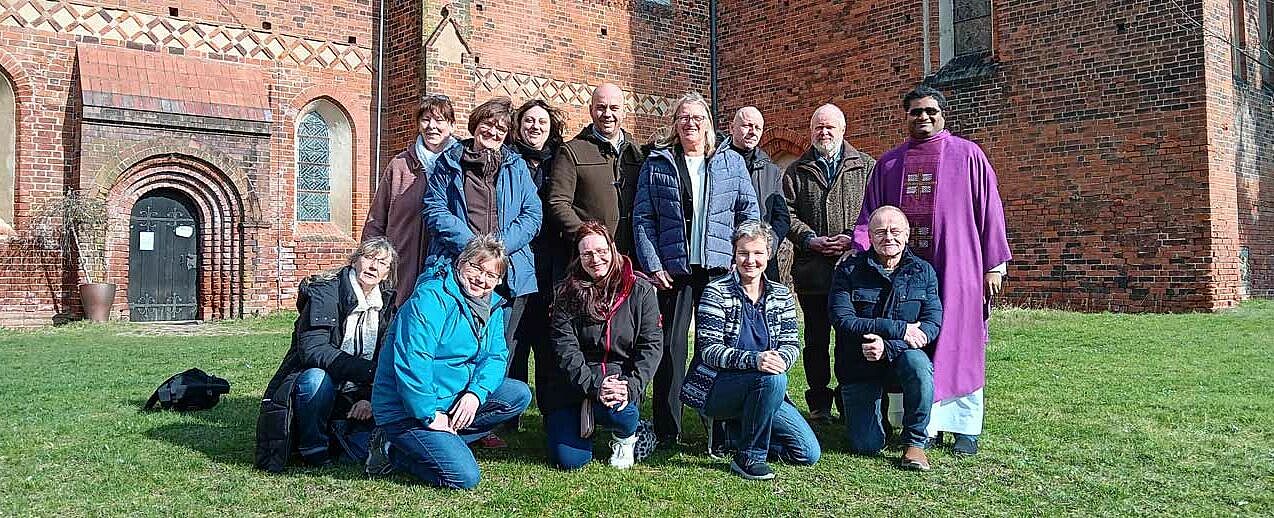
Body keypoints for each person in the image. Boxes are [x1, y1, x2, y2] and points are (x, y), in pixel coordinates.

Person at [853, 85, 1011, 456]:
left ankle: (963, 428)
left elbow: (990, 211)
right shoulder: (889, 164)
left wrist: (994, 266)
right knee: (909, 341)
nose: (923, 117)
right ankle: (918, 425)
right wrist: (858, 249)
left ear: (943, 115)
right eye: (915, 112)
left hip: (958, 268)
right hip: (902, 275)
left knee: (959, 343)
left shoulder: (968, 155)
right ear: (905, 116)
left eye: (930, 111)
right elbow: (869, 218)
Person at [632, 92, 760, 445]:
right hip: (674, 271)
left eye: (697, 118)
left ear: (709, 125)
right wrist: (653, 264)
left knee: (718, 347)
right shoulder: (658, 163)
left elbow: (748, 211)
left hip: (718, 270)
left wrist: (741, 257)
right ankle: (667, 428)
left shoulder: (730, 162)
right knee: (670, 349)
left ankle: (718, 429)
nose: (690, 123)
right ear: (675, 125)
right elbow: (643, 218)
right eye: (683, 118)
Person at [422, 96, 543, 447]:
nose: (493, 131)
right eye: (487, 125)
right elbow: (434, 209)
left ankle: (482, 424)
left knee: (494, 350)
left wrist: (499, 247)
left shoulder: (516, 166)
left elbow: (532, 215)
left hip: (506, 274)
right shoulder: (451, 161)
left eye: (501, 128)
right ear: (475, 126)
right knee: (455, 347)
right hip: (457, 268)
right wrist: (474, 248)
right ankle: (439, 412)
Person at [369, 235, 532, 489]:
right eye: (476, 268)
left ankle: (445, 442)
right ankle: (391, 449)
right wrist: (429, 415)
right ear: (460, 263)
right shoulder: (431, 298)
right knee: (464, 477)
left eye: (491, 275)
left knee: (518, 394)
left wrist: (475, 395)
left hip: (451, 398)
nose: (482, 279)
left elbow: (496, 357)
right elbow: (414, 361)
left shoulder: (493, 307)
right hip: (406, 409)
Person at [686, 220, 820, 481]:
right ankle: (749, 456)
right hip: (719, 386)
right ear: (734, 255)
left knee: (807, 453)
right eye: (743, 253)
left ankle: (734, 434)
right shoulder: (716, 291)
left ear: (768, 255)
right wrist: (756, 360)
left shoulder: (781, 294)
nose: (750, 260)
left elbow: (792, 343)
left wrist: (780, 359)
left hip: (766, 387)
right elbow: (708, 350)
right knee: (773, 379)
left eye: (758, 253)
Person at [255, 237, 399, 470]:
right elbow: (314, 349)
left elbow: (384, 354)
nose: (373, 266)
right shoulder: (325, 291)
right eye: (369, 258)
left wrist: (368, 396)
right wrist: (371, 373)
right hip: (319, 382)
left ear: (387, 273)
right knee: (315, 379)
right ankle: (313, 447)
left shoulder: (386, 304)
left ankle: (343, 439)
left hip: (357, 387)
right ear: (355, 261)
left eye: (382, 263)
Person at [542, 221, 663, 470]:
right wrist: (595, 386)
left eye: (601, 251)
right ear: (579, 256)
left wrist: (630, 387)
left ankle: (627, 435)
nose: (595, 259)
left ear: (613, 248)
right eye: (587, 254)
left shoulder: (640, 290)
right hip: (573, 385)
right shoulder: (566, 293)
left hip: (620, 382)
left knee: (624, 413)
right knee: (570, 461)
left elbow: (651, 345)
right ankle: (579, 420)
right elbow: (566, 351)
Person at [782, 103, 875, 422]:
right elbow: (787, 214)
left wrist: (852, 237)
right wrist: (810, 239)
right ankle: (819, 403)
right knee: (816, 340)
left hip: (854, 270)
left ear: (843, 130)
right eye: (818, 127)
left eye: (830, 127)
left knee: (851, 339)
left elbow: (875, 212)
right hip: (814, 271)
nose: (824, 132)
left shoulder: (866, 166)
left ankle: (851, 401)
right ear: (811, 132)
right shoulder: (795, 170)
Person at [831, 206, 942, 471]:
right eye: (880, 232)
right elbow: (843, 319)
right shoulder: (848, 270)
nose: (888, 237)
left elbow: (932, 323)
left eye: (895, 231)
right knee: (867, 445)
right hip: (859, 363)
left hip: (901, 358)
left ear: (907, 235)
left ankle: (915, 443)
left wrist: (889, 345)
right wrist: (900, 330)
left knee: (919, 366)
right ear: (869, 236)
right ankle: (847, 399)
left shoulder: (923, 271)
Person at [505, 99, 567, 426]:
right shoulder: (507, 159)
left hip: (550, 263)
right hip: (515, 259)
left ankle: (548, 410)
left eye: (542, 122)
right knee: (513, 338)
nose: (535, 127)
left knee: (547, 340)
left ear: (550, 127)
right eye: (529, 121)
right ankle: (508, 413)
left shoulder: (559, 160)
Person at [363, 94, 458, 305]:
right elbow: (376, 220)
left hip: (446, 267)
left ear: (451, 125)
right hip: (400, 267)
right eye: (425, 119)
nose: (432, 126)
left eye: (440, 120)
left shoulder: (463, 166)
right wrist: (371, 260)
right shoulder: (399, 166)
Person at [547, 83, 646, 256]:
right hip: (589, 259)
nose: (607, 114)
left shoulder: (638, 153)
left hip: (631, 258)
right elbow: (558, 203)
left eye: (614, 108)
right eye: (601, 107)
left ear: (624, 111)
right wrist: (587, 239)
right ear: (591, 110)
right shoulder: (571, 151)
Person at [722, 107, 790, 280]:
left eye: (757, 128)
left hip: (762, 262)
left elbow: (782, 218)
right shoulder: (716, 163)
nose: (752, 132)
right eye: (747, 125)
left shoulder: (771, 170)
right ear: (732, 128)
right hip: (724, 260)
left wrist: (768, 247)